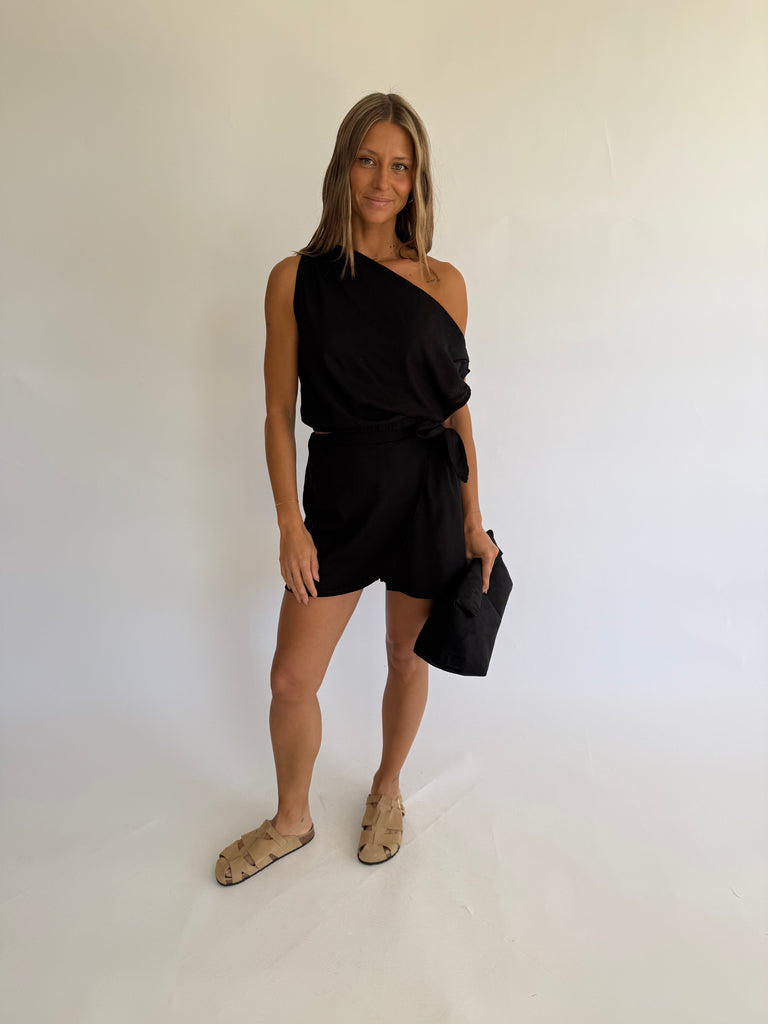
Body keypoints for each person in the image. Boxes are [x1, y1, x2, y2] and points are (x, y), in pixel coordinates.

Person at [215, 92, 498, 885]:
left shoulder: (443, 282)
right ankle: (292, 818)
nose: (382, 180)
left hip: (426, 496)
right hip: (339, 499)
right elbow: (277, 412)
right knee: (290, 679)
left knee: (406, 655)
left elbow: (455, 410)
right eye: (368, 161)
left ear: (416, 180)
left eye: (400, 166)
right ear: (343, 166)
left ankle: (386, 787)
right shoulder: (294, 280)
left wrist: (473, 521)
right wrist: (289, 521)